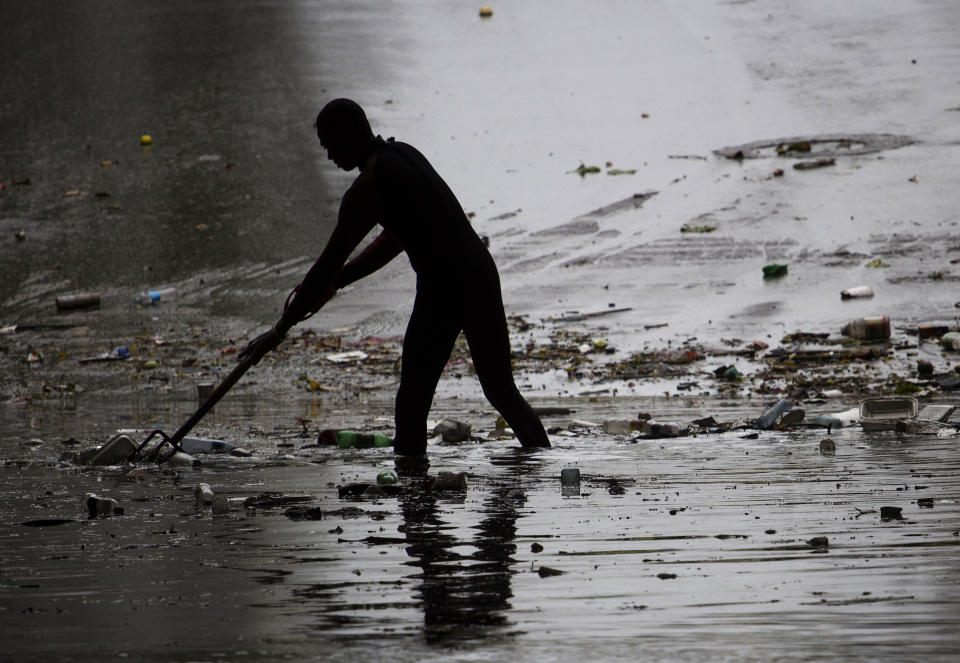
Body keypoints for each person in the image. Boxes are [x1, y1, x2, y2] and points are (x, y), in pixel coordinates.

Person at [240, 98, 550, 455]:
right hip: (479, 272)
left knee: (412, 402)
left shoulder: (369, 186)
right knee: (500, 390)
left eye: (329, 144)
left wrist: (280, 328)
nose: (328, 155)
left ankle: (413, 492)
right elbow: (393, 239)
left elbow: (328, 261)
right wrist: (338, 282)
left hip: (446, 288)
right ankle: (545, 465)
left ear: (348, 135)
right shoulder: (402, 154)